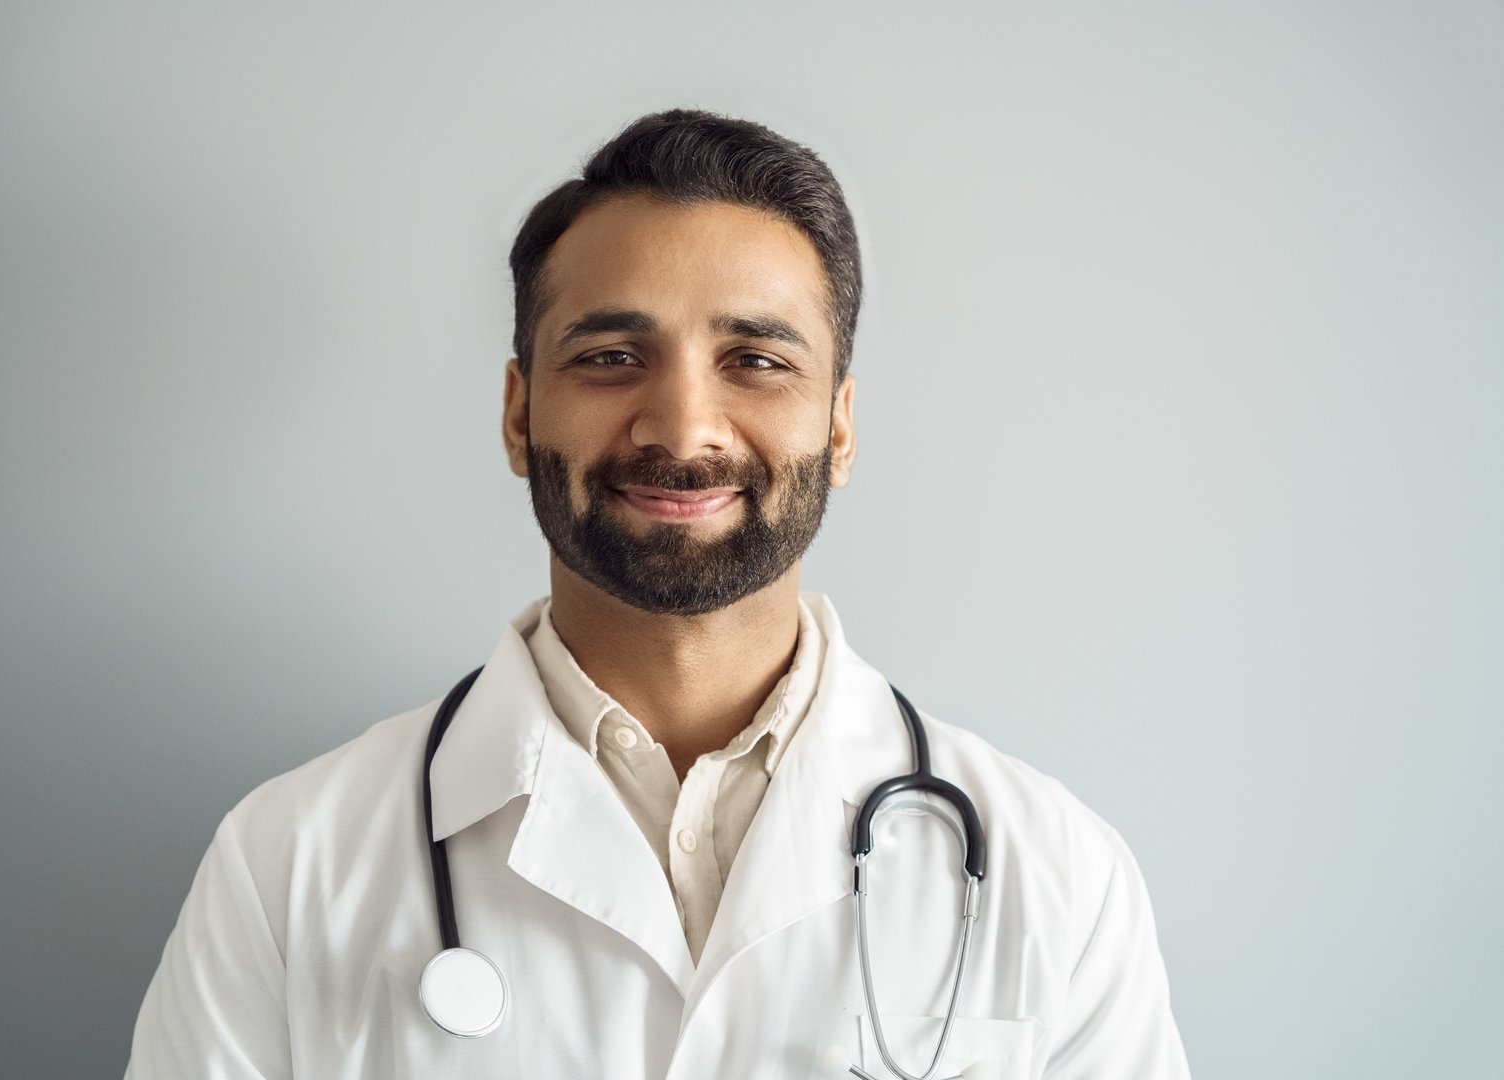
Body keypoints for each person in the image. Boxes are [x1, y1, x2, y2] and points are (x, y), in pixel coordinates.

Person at [124, 108, 1191, 1079]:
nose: (682, 429)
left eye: (756, 361)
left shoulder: (1056, 880)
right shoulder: (287, 868)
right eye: (610, 356)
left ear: (842, 424)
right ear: (516, 412)